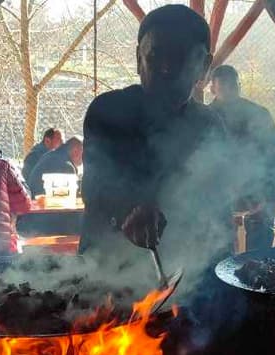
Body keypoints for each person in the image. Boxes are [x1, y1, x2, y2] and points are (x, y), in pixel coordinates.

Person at [79, 4, 232, 265]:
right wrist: (128, 209)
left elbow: (218, 214)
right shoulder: (108, 111)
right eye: (154, 56)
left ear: (204, 67)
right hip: (105, 273)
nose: (166, 69)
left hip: (186, 276)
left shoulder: (210, 128)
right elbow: (95, 187)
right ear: (138, 59)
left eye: (180, 59)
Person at [208, 64, 275, 251]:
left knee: (260, 257)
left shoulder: (258, 114)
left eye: (233, 86)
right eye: (223, 86)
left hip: (259, 193)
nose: (229, 90)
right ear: (212, 88)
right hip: (219, 198)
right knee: (220, 257)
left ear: (239, 86)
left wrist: (270, 194)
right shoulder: (205, 118)